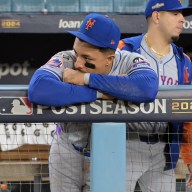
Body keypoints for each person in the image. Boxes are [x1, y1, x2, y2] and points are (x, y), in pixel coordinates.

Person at [28, 13, 158, 192]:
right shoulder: (66, 57)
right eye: (77, 53)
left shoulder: (129, 61)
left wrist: (86, 78)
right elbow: (38, 89)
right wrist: (101, 92)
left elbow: (147, 88)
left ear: (109, 59)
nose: (78, 63)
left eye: (87, 59)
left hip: (108, 153)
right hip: (66, 148)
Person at [118, 0, 192, 191]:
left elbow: (187, 116)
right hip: (125, 145)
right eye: (175, 14)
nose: (182, 19)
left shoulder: (184, 62)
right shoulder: (124, 50)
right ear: (157, 16)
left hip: (163, 150)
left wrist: (190, 160)